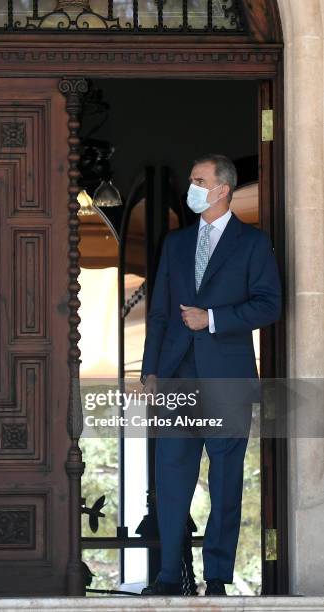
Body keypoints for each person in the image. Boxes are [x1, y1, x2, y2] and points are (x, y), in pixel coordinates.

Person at [140, 154, 281, 596]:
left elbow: (269, 304)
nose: (191, 186)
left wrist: (213, 319)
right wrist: (150, 371)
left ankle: (216, 577)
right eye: (191, 179)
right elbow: (159, 312)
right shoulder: (176, 243)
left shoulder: (253, 244)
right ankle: (167, 576)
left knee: (225, 479)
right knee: (171, 474)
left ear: (222, 189)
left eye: (199, 180)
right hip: (176, 374)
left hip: (227, 378)